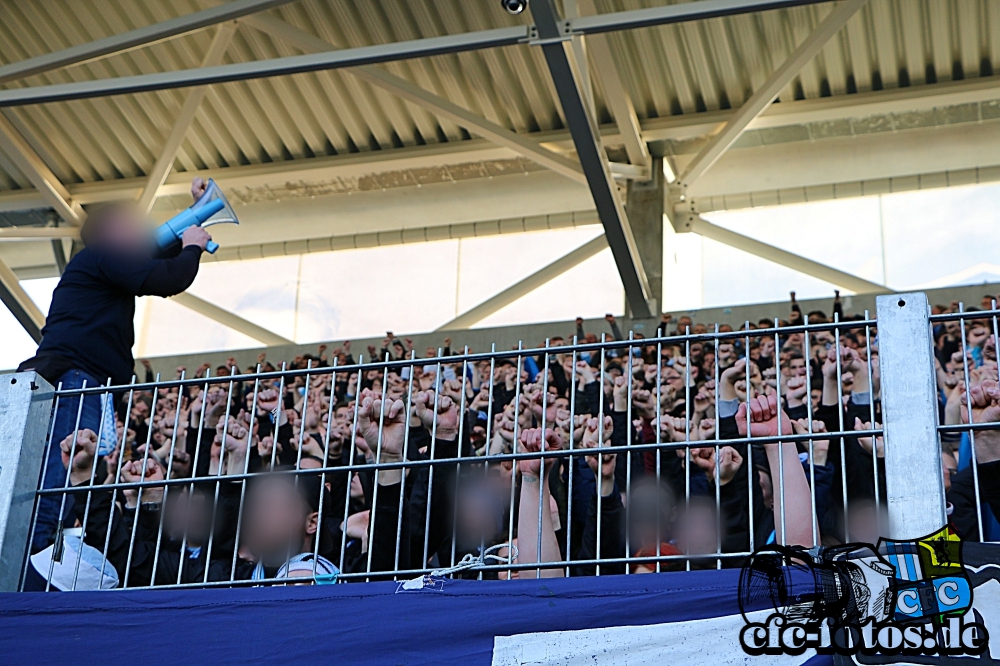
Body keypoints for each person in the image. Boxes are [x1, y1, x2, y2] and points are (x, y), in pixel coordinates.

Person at [20, 178, 213, 551]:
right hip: (77, 383)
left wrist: (197, 211)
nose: (142, 230)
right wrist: (192, 248)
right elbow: (165, 276)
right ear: (111, 233)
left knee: (66, 482)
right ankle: (30, 576)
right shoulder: (101, 258)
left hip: (82, 383)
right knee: (58, 484)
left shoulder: (102, 266)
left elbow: (155, 258)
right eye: (131, 224)